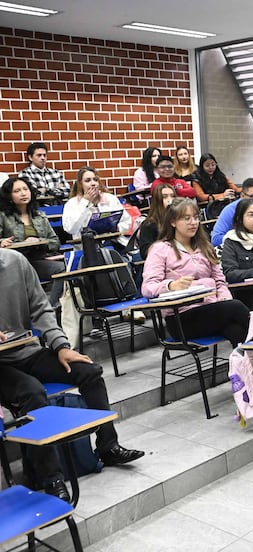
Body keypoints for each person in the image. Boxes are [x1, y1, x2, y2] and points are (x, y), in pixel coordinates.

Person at [0, 248, 144, 503]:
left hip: (27, 350)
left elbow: (40, 308)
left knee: (89, 372)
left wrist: (61, 346)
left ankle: (108, 445)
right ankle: (51, 477)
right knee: (31, 391)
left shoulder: (15, 261)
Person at [141, 198, 250, 348]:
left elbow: (220, 281)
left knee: (236, 331)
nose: (193, 222)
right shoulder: (160, 249)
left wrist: (223, 298)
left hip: (214, 309)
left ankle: (252, 370)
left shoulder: (205, 246)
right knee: (236, 307)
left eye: (196, 217)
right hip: (181, 318)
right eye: (187, 218)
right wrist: (171, 285)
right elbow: (147, 288)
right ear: (173, 222)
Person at [0, 176, 65, 306]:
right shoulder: (3, 216)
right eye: (17, 191)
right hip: (14, 264)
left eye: (25, 189)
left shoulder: (39, 216)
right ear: (9, 196)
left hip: (36, 260)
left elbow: (55, 241)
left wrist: (39, 241)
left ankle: (51, 308)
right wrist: (2, 242)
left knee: (64, 269)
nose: (23, 193)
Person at [62, 166, 132, 242]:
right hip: (86, 246)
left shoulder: (110, 198)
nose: (93, 183)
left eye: (95, 180)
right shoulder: (72, 204)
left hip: (113, 241)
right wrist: (85, 202)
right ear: (80, 184)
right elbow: (71, 229)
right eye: (87, 180)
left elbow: (127, 221)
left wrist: (117, 228)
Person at [137, 183, 175, 260]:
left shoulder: (181, 221)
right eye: (164, 197)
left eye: (172, 196)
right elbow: (145, 252)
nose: (170, 200)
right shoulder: (149, 224)